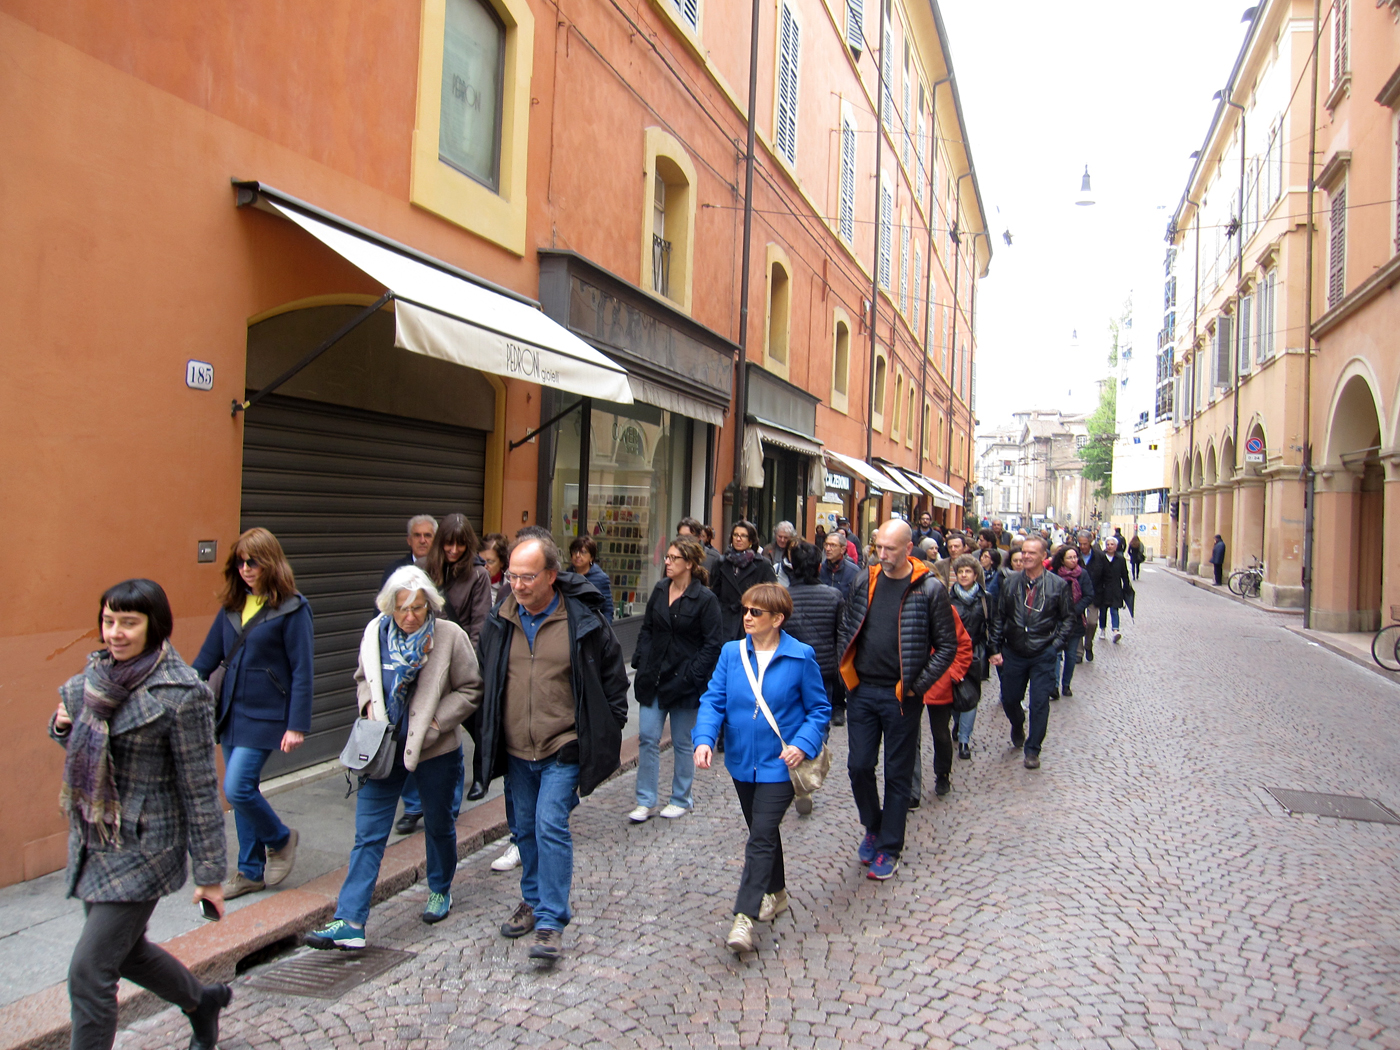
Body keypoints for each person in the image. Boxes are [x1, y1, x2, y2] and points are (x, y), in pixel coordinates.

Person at [52, 580, 231, 1050]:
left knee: (90, 971)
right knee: (126, 954)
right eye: (109, 621)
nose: (115, 633)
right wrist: (62, 725)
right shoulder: (95, 681)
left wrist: (211, 874)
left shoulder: (183, 693)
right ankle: (202, 1002)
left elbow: (200, 788)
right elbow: (88, 749)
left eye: (128, 623)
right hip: (97, 838)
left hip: (146, 847)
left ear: (154, 625)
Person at [306, 567, 482, 949]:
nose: (409, 616)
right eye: (402, 608)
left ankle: (440, 889)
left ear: (429, 604)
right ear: (389, 606)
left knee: (438, 824)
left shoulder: (450, 636)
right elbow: (362, 679)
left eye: (418, 608)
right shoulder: (375, 635)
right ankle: (350, 920)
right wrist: (369, 706)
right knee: (368, 835)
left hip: (435, 751)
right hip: (383, 749)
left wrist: (436, 723)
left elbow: (471, 688)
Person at [475, 536, 629, 962]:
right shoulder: (500, 619)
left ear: (550, 576)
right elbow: (485, 680)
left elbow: (614, 681)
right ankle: (533, 899)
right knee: (523, 829)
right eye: (512, 576)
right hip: (516, 749)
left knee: (549, 824)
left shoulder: (582, 618)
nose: (518, 585)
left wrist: (604, 729)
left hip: (563, 745)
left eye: (527, 577)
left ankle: (550, 921)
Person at [693, 584, 829, 953]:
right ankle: (778, 892)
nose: (747, 617)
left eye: (756, 612)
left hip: (781, 764)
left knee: (761, 834)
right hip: (741, 760)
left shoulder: (800, 656)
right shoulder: (731, 653)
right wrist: (704, 738)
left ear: (777, 619)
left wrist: (803, 744)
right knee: (762, 831)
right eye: (745, 610)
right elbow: (713, 699)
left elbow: (819, 710)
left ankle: (744, 917)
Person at [193, 528, 312, 900]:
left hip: (268, 713)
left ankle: (280, 838)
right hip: (230, 712)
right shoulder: (232, 606)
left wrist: (297, 724)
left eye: (253, 562)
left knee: (238, 787)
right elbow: (205, 660)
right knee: (242, 792)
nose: (246, 569)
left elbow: (302, 669)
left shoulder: (293, 608)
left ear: (271, 563)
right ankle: (249, 871)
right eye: (240, 562)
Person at [837, 520, 957, 880]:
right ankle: (873, 826)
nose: (882, 555)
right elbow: (848, 625)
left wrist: (918, 686)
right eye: (878, 547)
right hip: (862, 691)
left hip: (901, 695)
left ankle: (890, 847)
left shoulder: (930, 588)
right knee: (859, 766)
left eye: (889, 548)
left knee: (897, 772)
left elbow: (947, 645)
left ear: (908, 548)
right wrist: (844, 668)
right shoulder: (865, 579)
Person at [629, 536, 723, 822]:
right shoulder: (660, 590)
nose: (666, 562)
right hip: (654, 676)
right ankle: (646, 800)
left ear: (690, 564)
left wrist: (693, 674)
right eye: (667, 557)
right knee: (647, 737)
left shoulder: (705, 599)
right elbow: (647, 629)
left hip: (685, 681)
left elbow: (712, 644)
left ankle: (681, 798)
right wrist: (642, 660)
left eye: (673, 558)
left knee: (683, 741)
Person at [404, 513, 491, 820]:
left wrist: (471, 664)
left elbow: (480, 623)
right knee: (419, 726)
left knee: (465, 725)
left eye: (461, 545)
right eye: (449, 544)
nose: (454, 550)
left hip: (460, 656)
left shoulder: (478, 576)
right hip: (426, 659)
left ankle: (474, 781)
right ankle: (416, 804)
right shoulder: (421, 570)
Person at [987, 535, 1074, 769]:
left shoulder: (1057, 585)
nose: (1025, 556)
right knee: (1010, 698)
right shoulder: (1010, 582)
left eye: (1031, 553)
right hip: (1014, 651)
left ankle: (1033, 748)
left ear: (1044, 557)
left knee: (1039, 703)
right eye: (1023, 552)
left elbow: (1068, 619)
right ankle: (1018, 723)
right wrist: (994, 647)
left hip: (1042, 653)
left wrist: (1055, 647)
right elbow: (999, 617)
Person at [785, 540, 846, 743]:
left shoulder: (783, 597)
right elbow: (841, 635)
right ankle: (814, 765)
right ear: (819, 567)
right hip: (822, 670)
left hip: (787, 667)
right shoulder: (834, 596)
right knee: (819, 721)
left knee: (788, 720)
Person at [948, 554, 993, 761]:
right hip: (952, 653)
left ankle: (965, 739)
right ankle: (957, 723)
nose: (964, 575)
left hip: (975, 652)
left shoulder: (985, 599)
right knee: (954, 695)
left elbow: (991, 626)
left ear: (976, 575)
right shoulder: (947, 599)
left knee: (971, 696)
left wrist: (993, 651)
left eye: (968, 571)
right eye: (960, 572)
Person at [711, 520, 778, 641]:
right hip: (725, 620)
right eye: (735, 535)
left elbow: (772, 595)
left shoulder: (762, 565)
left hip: (752, 619)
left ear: (751, 540)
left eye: (743, 536)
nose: (738, 539)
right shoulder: (721, 562)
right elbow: (714, 593)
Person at [1049, 546, 1094, 699]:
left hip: (1075, 620)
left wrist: (1074, 610)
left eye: (1075, 557)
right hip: (1057, 620)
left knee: (1071, 654)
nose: (1073, 560)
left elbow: (1089, 595)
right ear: (1062, 559)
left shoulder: (1083, 574)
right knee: (1055, 653)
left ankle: (1066, 684)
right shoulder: (1053, 575)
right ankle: (1054, 686)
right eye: (1070, 557)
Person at [381, 514, 438, 589]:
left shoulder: (443, 569)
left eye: (427, 535)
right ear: (409, 540)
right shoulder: (394, 570)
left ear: (436, 540)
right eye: (417, 535)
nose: (422, 541)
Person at [569, 534, 615, 623]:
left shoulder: (601, 578)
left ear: (591, 557)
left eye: (583, 552)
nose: (578, 555)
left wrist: (604, 632)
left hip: (592, 628)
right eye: (575, 551)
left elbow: (607, 609)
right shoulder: (567, 575)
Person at [1077, 529, 1105, 663]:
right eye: (1080, 544)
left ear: (1090, 543)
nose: (1082, 547)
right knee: (1076, 623)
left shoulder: (1099, 556)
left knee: (1092, 622)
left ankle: (1088, 644)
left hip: (1094, 594)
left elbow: (1107, 576)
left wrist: (1106, 594)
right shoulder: (1074, 555)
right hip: (1077, 595)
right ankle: (1078, 651)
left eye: (1085, 544)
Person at [1098, 537, 1133, 642]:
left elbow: (1124, 574)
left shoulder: (1120, 559)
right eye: (1108, 544)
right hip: (1103, 588)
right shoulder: (1101, 557)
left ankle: (1115, 630)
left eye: (1112, 544)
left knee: (1114, 610)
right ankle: (1103, 629)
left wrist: (1127, 586)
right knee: (1103, 610)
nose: (1109, 546)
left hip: (1115, 588)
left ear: (1116, 546)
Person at [820, 530, 860, 601]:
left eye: (833, 545)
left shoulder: (854, 571)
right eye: (826, 545)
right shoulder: (819, 569)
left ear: (843, 549)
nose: (828, 549)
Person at [762, 521, 796, 587]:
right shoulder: (768, 549)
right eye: (780, 537)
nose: (782, 540)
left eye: (786, 538)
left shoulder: (795, 550)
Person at [480, 533, 510, 606]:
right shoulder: (472, 581)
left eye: (490, 562)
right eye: (480, 561)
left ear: (502, 562)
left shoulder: (510, 586)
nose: (484, 566)